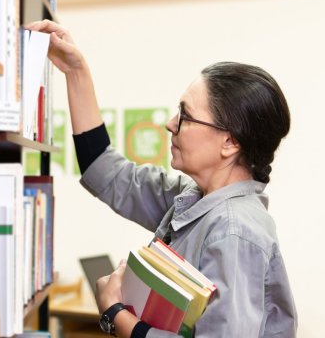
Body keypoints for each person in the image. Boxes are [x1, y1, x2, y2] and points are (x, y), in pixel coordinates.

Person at [25, 20, 297, 338]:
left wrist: (115, 314)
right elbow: (107, 172)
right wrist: (75, 71)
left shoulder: (233, 232)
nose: (170, 124)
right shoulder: (191, 200)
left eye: (185, 116)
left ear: (230, 142)